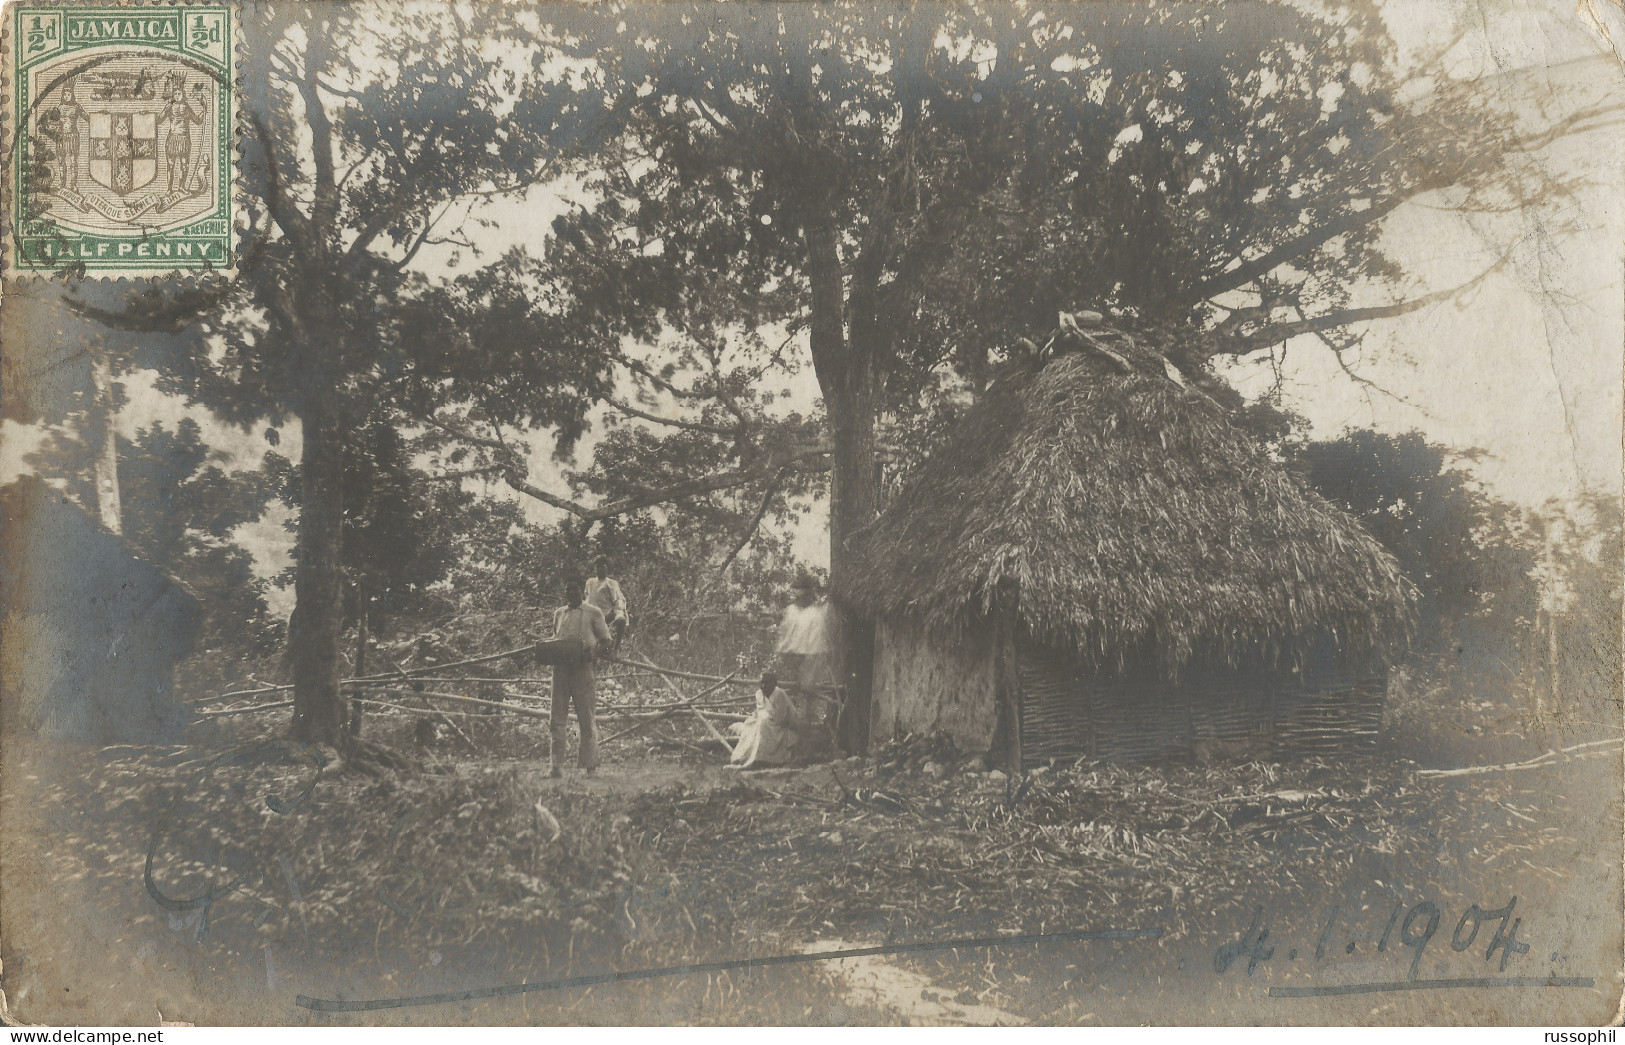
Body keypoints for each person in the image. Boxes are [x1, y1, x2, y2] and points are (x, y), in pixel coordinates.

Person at [548, 574, 613, 778]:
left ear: (582, 592)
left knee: (586, 717)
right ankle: (556, 766)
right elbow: (554, 638)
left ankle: (590, 765)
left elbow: (606, 640)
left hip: (583, 671)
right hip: (560, 670)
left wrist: (593, 653)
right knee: (556, 718)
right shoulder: (559, 613)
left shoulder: (593, 612)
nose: (571, 594)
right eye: (567, 590)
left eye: (574, 590)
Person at [728, 671, 798, 769]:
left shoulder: (779, 694)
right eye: (762, 683)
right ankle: (743, 757)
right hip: (767, 722)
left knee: (761, 726)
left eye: (767, 683)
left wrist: (764, 721)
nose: (764, 686)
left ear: (774, 684)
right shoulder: (759, 694)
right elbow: (760, 711)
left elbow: (781, 718)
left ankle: (759, 759)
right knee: (749, 726)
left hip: (781, 727)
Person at [776, 573, 833, 693]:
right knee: (785, 693)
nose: (798, 600)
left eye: (802, 596)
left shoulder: (815, 615)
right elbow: (783, 634)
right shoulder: (791, 611)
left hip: (806, 659)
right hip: (788, 659)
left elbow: (815, 647)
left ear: (809, 596)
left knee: (804, 693)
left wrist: (808, 671)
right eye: (796, 597)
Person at [584, 556, 629, 654]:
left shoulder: (611, 583)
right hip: (591, 615)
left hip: (605, 615)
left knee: (621, 620)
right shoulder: (590, 582)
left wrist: (617, 613)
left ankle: (616, 648)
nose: (600, 569)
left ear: (607, 568)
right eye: (598, 566)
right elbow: (587, 598)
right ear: (595, 568)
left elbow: (618, 600)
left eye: (603, 566)